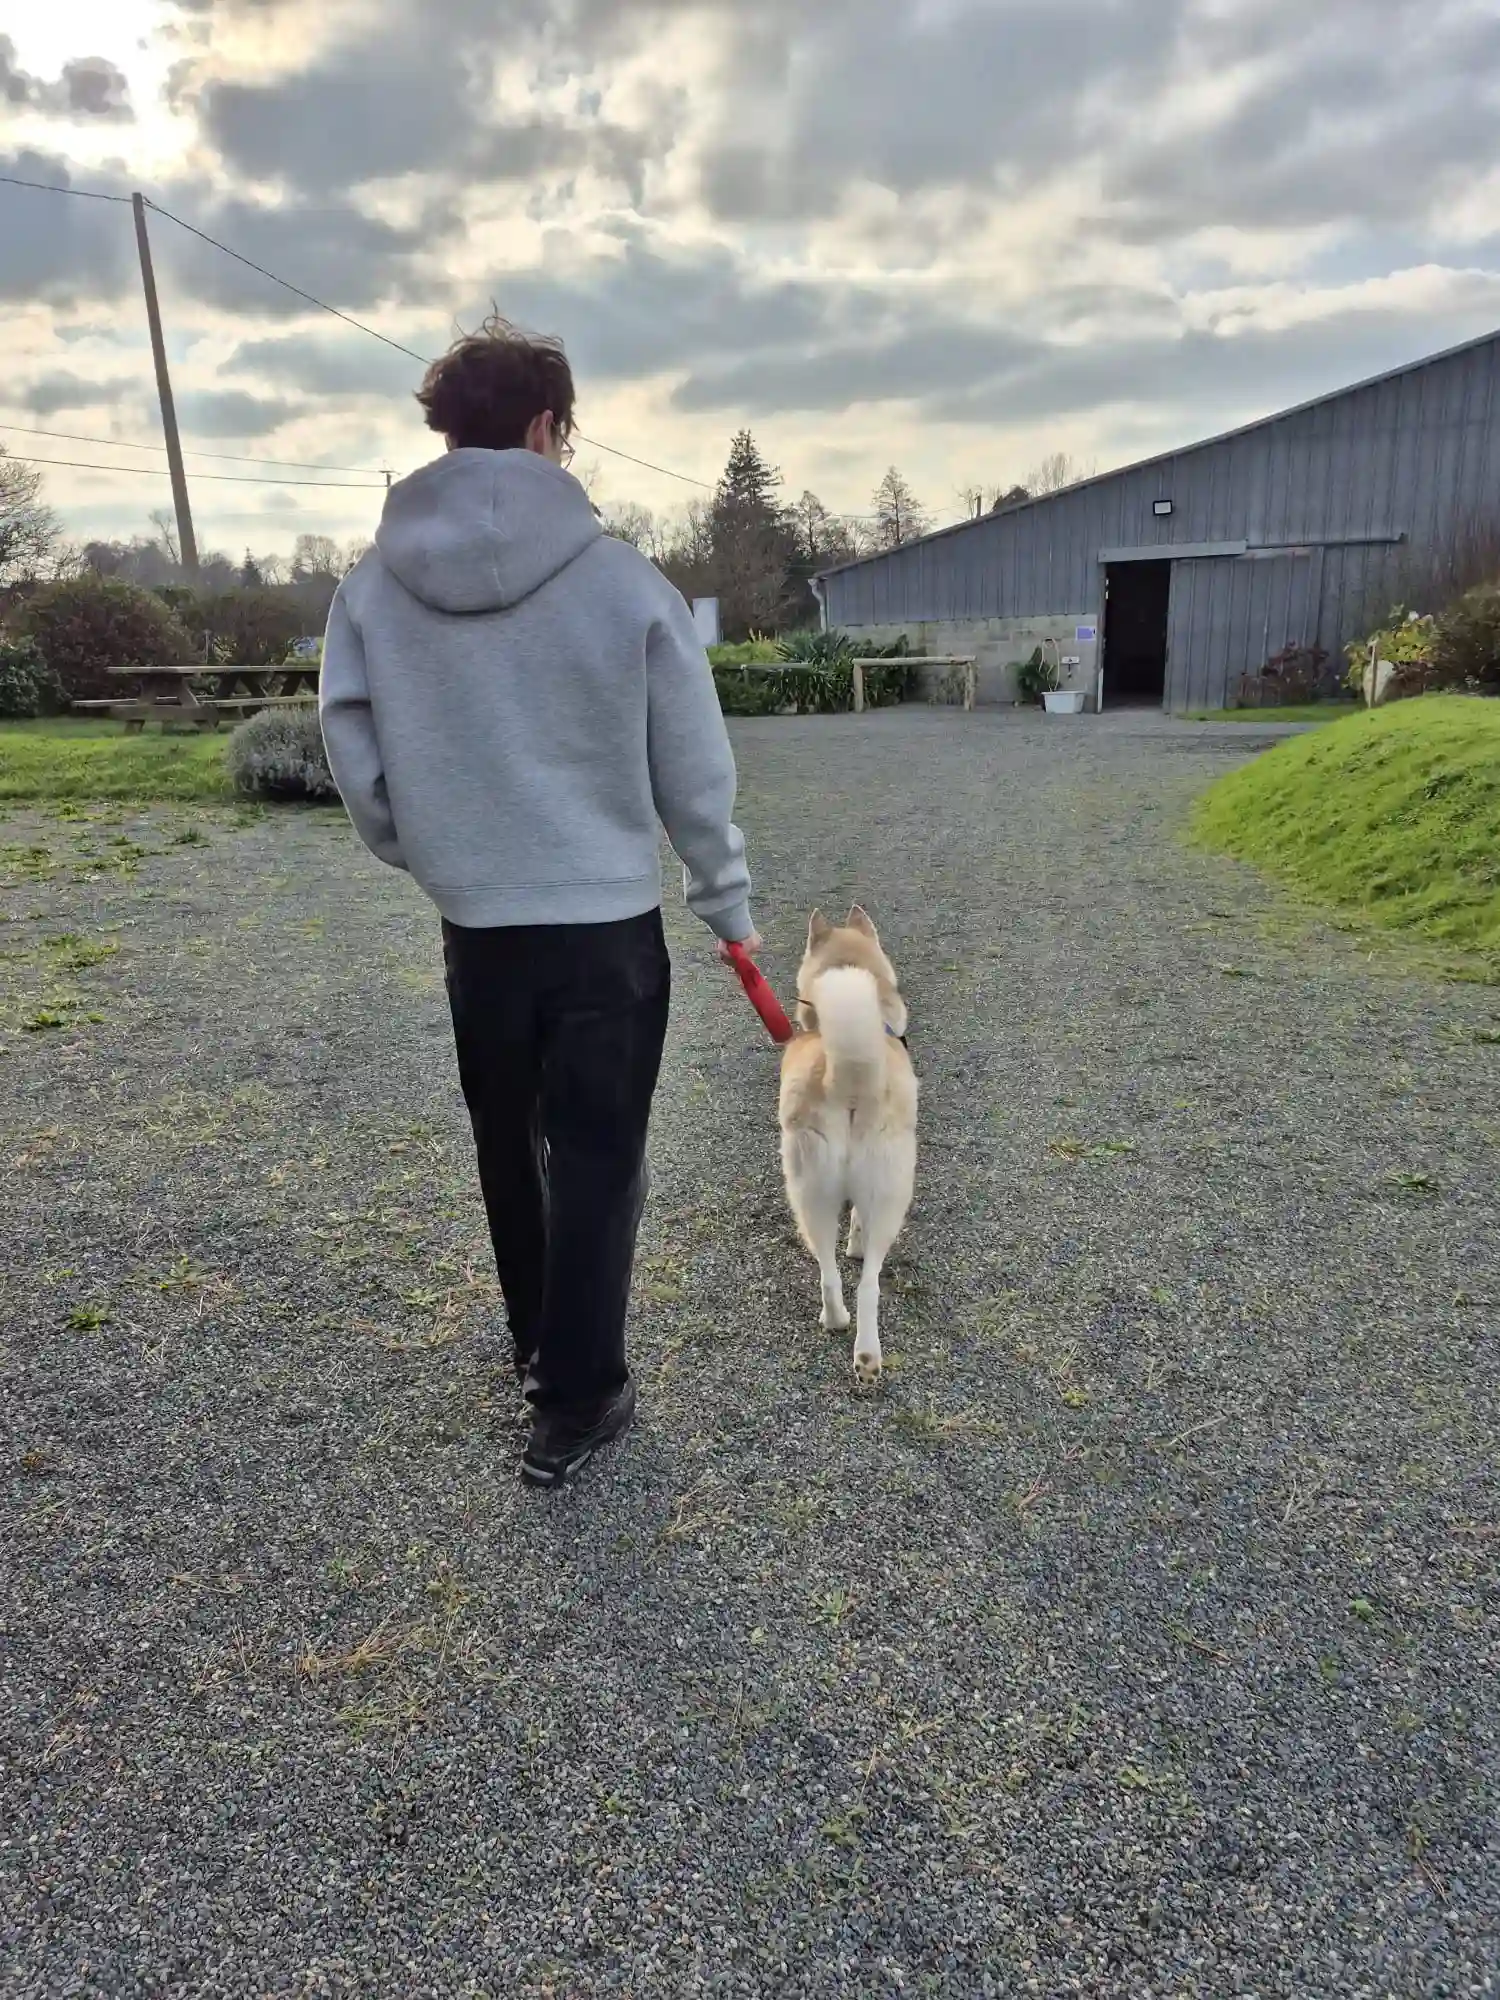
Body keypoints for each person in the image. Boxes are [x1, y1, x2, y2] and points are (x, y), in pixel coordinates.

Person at [319, 314, 759, 1488]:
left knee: (508, 1143)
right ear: (546, 426)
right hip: (606, 925)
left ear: (447, 430)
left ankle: (536, 1343)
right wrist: (727, 905)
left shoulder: (371, 586)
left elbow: (349, 744)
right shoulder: (626, 583)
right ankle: (577, 1395)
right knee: (601, 1149)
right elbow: (694, 768)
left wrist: (431, 848)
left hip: (479, 926)